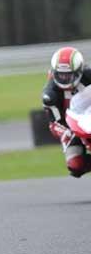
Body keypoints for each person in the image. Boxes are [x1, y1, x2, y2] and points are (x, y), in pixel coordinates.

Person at [42, 46, 91, 178]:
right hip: (72, 129)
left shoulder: (89, 75)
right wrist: (66, 132)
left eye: (69, 75)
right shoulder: (49, 95)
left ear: (79, 71)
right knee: (75, 166)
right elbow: (54, 123)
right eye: (61, 75)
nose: (64, 78)